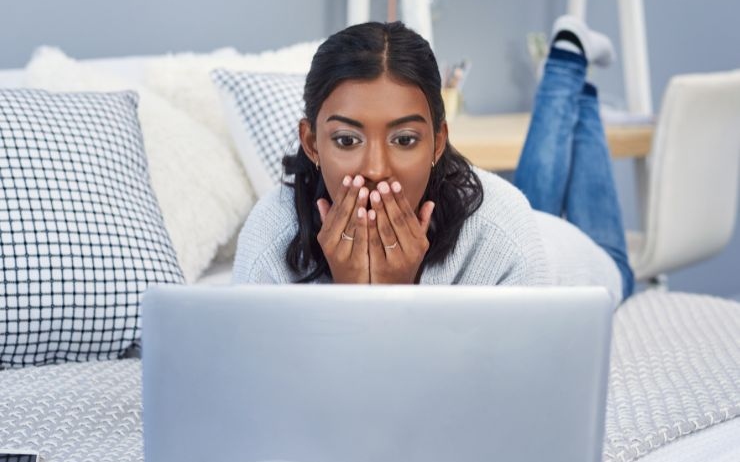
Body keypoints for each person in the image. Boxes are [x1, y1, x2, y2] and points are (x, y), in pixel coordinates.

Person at [232, 18, 634, 307]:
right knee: (538, 193)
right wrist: (354, 296)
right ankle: (568, 59)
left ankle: (569, 58)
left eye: (404, 139)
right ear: (312, 143)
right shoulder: (270, 237)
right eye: (347, 139)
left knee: (619, 265)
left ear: (438, 142)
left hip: (576, 257)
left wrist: (397, 297)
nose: (375, 170)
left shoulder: (504, 231)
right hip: (531, 226)